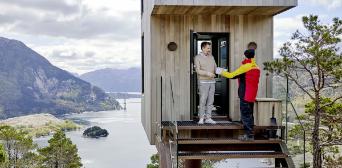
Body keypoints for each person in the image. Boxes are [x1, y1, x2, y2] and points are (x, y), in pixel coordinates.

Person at [216, 46, 260, 140]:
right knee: (249, 114)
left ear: (245, 56)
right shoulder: (256, 66)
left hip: (245, 94)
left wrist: (221, 72)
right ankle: (249, 132)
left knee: (245, 114)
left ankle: (249, 136)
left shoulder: (245, 67)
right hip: (252, 94)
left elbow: (232, 75)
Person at [194, 42, 217, 124]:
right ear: (203, 48)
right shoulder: (197, 57)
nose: (209, 50)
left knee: (211, 100)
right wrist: (207, 73)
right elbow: (198, 70)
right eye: (208, 48)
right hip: (203, 82)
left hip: (212, 81)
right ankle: (201, 118)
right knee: (203, 100)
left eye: (209, 48)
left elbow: (215, 67)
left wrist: (221, 71)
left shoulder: (211, 57)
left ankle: (208, 118)